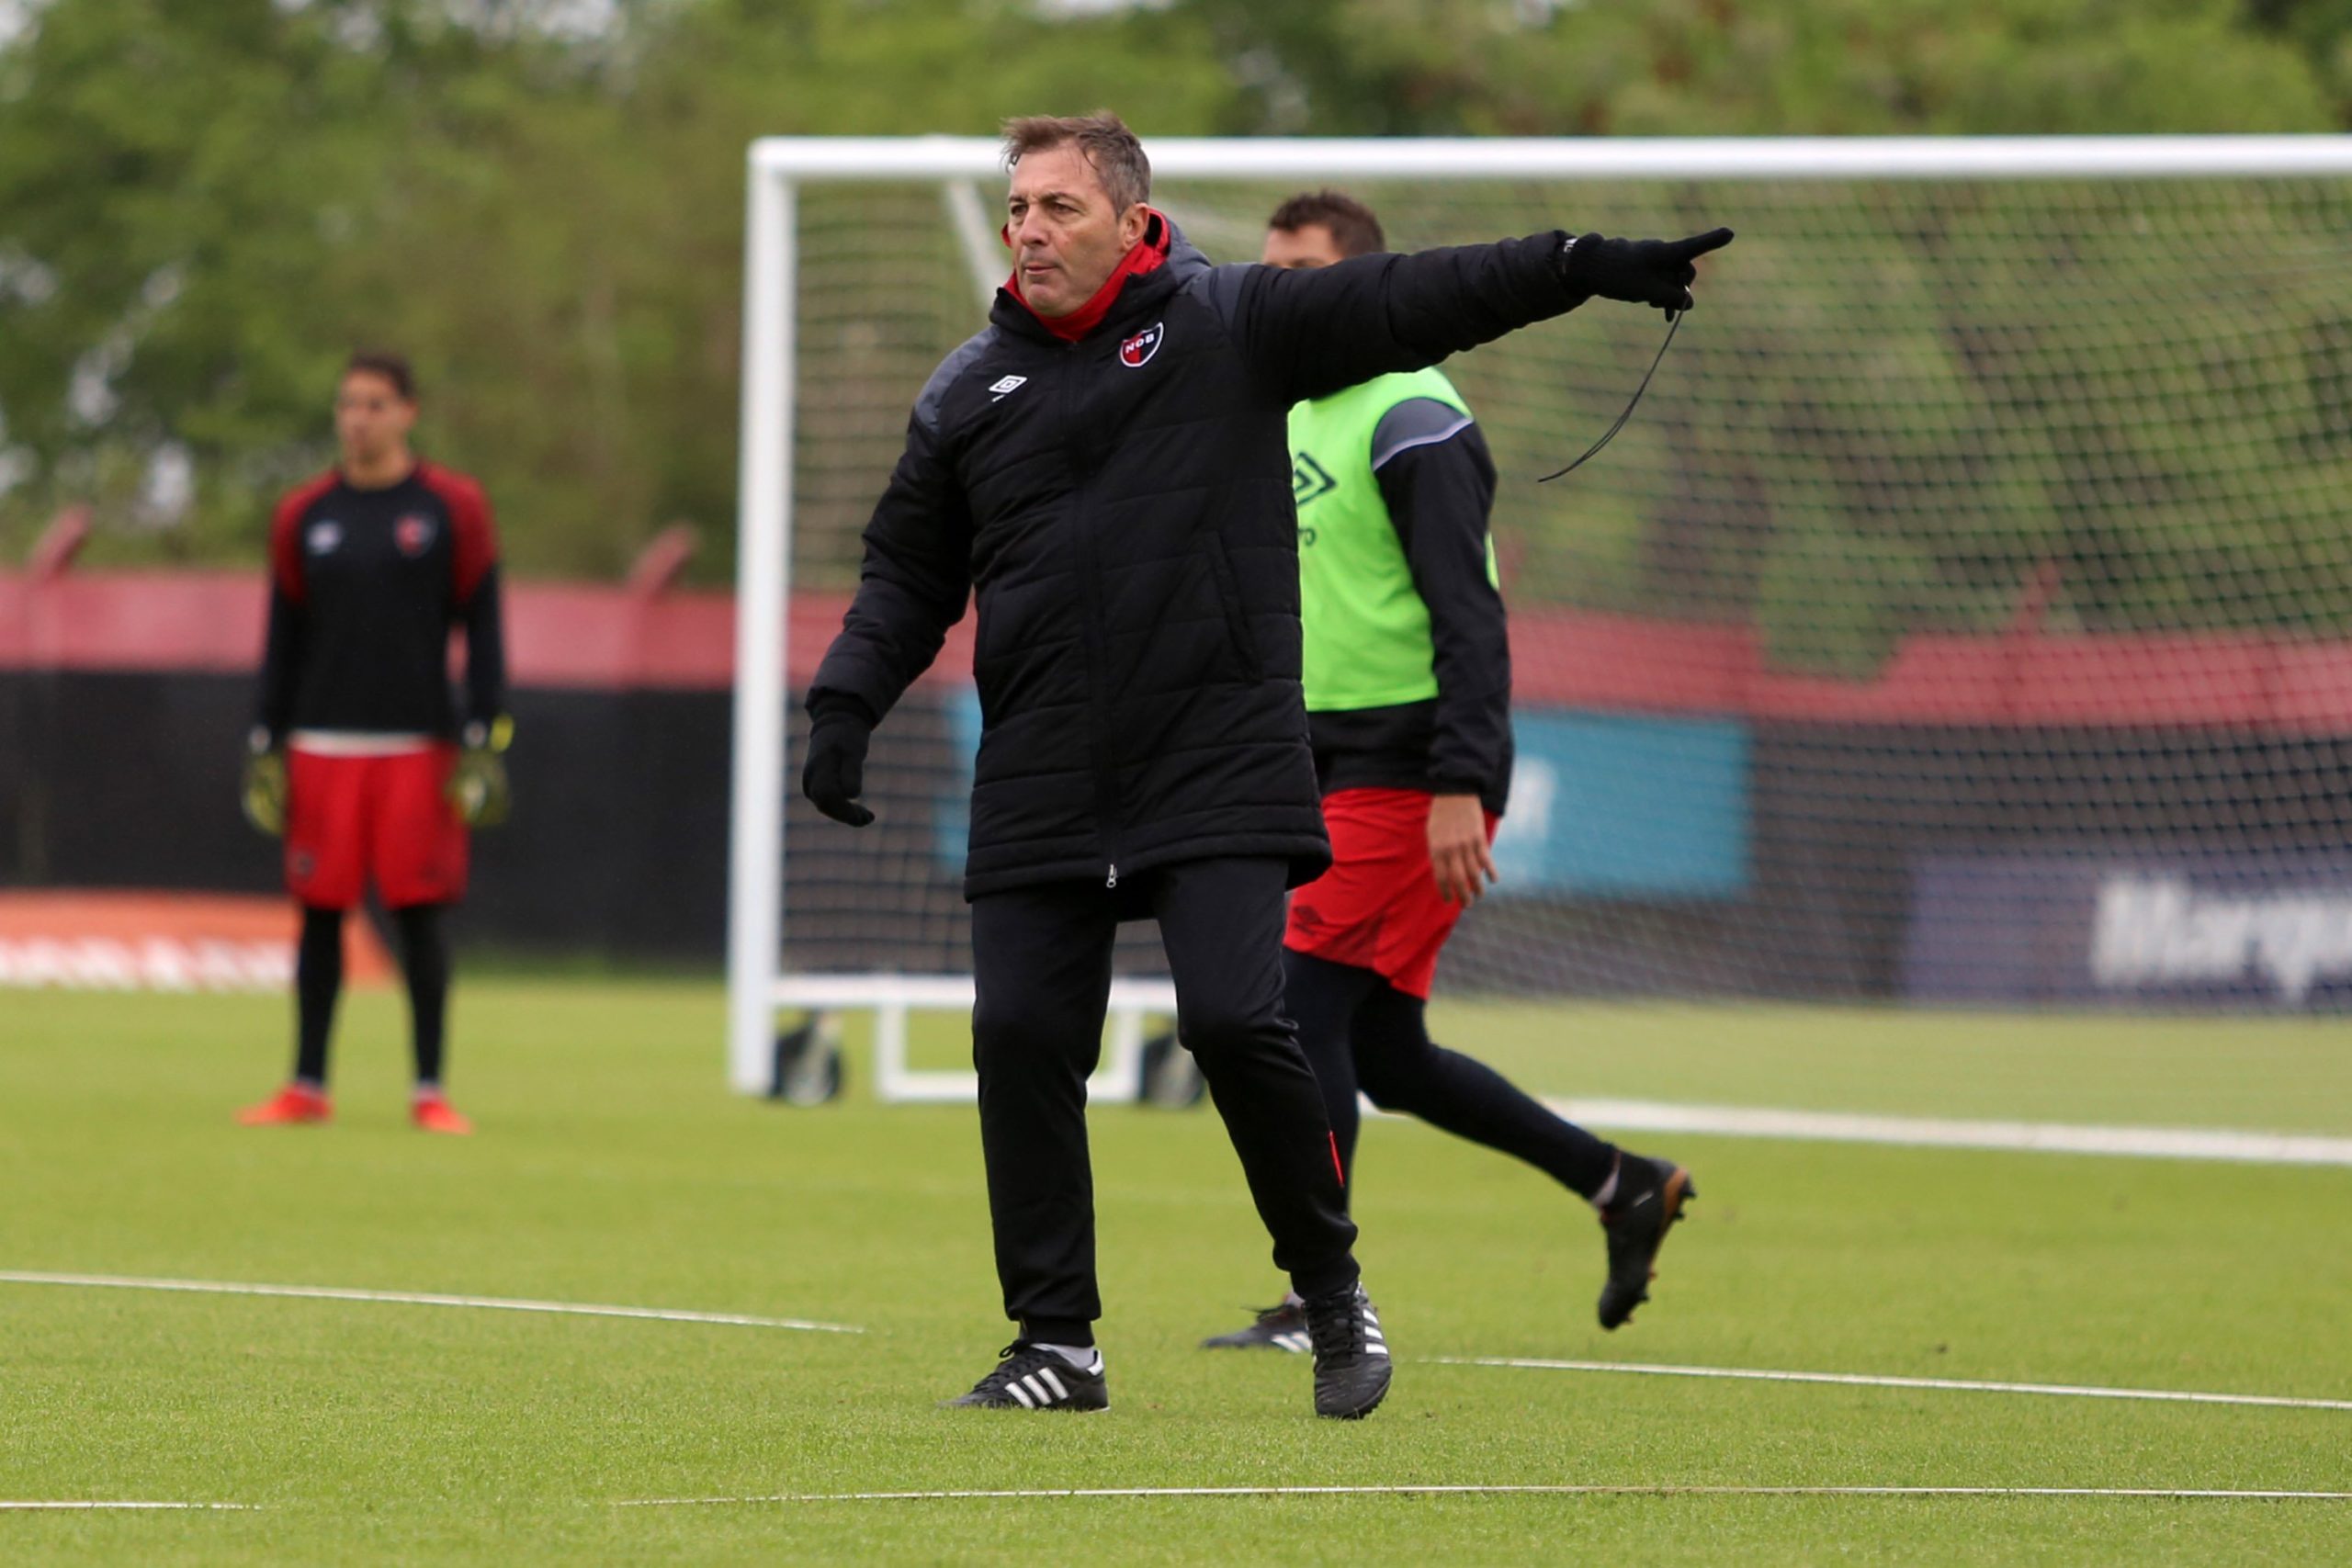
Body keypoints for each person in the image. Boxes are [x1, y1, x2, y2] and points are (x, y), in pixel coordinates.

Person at [800, 111, 1729, 1419]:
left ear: (1133, 222)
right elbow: (907, 572)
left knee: (1244, 1020)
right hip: (1044, 766)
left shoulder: (1233, 321)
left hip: (1218, 755)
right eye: (1016, 208)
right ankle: (1056, 1343)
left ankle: (1330, 1291)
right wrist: (845, 700)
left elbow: (1416, 293)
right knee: (1017, 1035)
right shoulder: (968, 388)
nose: (1027, 231)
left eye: (1058, 207)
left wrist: (1577, 263)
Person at [1200, 193, 1695, 1358]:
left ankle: (1317, 1296)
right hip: (1317, 761)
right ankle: (1621, 1184)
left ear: (1360, 286)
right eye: (1270, 275)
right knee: (1385, 1053)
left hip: (1408, 764)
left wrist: (1462, 781)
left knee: (1292, 1004)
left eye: (1306, 274)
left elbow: (1468, 615)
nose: (1282, 297)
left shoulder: (1411, 413)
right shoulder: (1283, 408)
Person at [236, 351, 511, 1136]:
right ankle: (306, 1085)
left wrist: (487, 725)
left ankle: (429, 1089)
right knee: (320, 914)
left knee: (419, 915)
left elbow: (482, 618)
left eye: (375, 404)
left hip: (417, 744)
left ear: (408, 412)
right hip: (321, 742)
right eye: (349, 404)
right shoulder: (305, 513)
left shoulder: (452, 506)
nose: (358, 418)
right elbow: (283, 629)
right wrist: (266, 731)